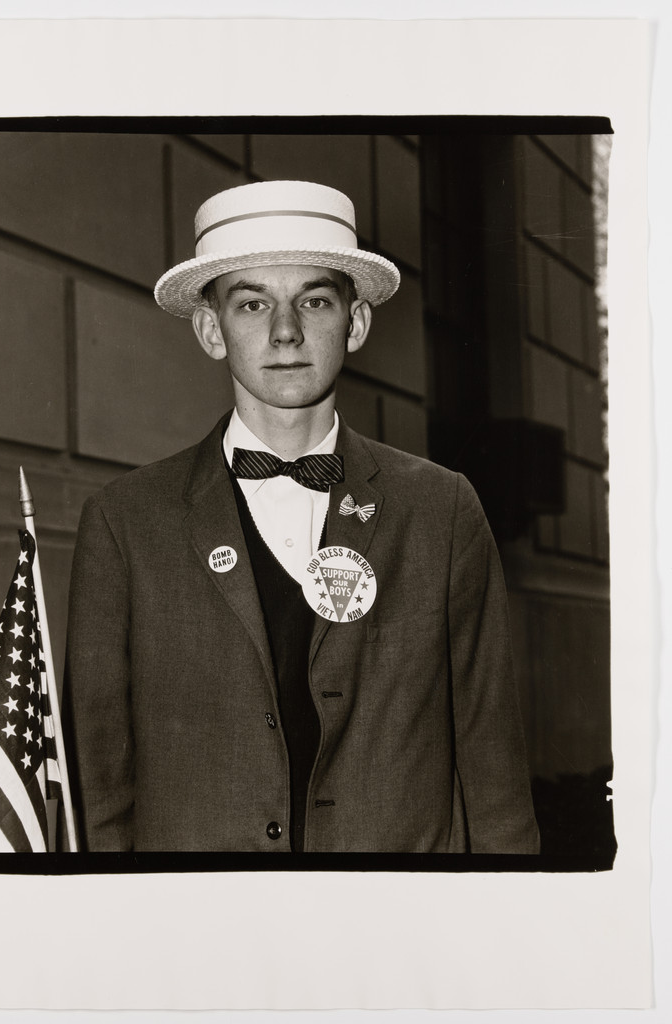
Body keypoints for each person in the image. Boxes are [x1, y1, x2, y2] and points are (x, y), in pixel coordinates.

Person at [64, 179, 540, 854]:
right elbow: (97, 785)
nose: (285, 331)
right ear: (210, 328)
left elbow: (492, 769)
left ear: (356, 322)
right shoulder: (126, 522)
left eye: (313, 300)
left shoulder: (440, 509)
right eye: (251, 302)